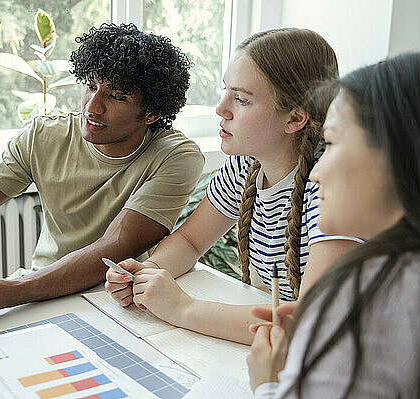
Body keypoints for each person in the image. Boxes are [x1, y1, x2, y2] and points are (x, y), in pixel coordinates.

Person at [0, 23, 204, 327]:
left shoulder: (176, 156)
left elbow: (116, 246)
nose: (93, 106)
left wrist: (7, 292)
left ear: (151, 113)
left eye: (117, 97)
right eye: (91, 85)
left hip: (121, 302)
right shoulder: (44, 135)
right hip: (38, 293)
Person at [105, 28, 361, 344]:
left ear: (294, 119)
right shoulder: (246, 164)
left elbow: (306, 321)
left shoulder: (334, 187)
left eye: (241, 99)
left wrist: (182, 308)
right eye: (225, 91)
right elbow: (190, 240)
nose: (221, 109)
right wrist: (149, 273)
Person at [247, 51, 420, 398]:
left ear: (397, 153)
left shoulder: (370, 291)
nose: (317, 172)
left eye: (331, 143)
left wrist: (270, 383)